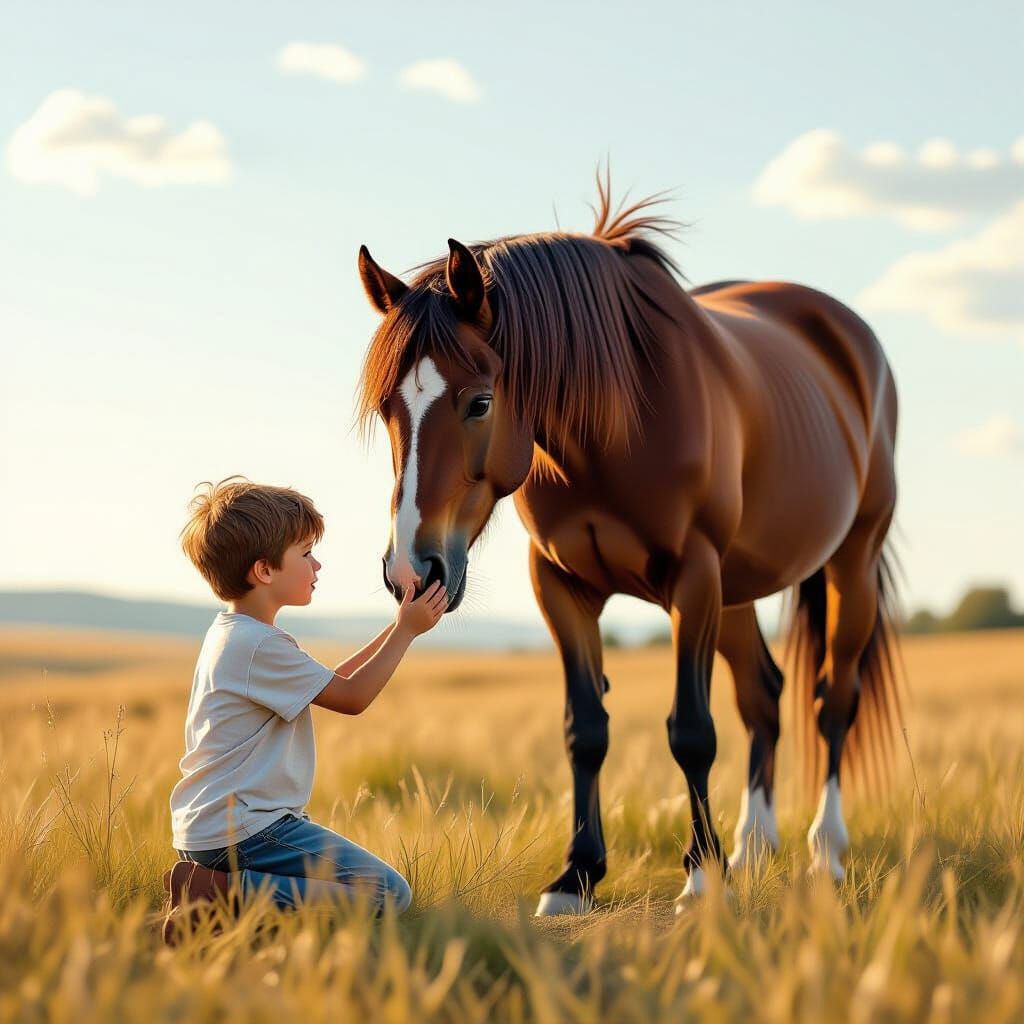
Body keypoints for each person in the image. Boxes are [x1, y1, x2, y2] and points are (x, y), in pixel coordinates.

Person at [162, 477, 447, 944]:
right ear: (264, 571)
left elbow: (334, 681)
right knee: (386, 893)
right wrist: (406, 634)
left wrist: (398, 626)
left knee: (342, 889)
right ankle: (216, 894)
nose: (317, 564)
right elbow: (352, 698)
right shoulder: (258, 645)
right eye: (305, 552)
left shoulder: (234, 634)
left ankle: (217, 898)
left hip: (212, 830)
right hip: (246, 832)